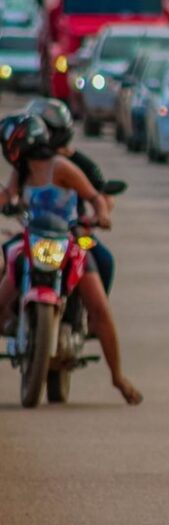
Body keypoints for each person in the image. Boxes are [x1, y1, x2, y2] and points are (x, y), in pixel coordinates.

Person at [0, 114, 141, 405]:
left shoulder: (62, 167)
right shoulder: (21, 172)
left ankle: (118, 377)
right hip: (32, 239)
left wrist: (101, 215)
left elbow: (94, 195)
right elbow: (8, 196)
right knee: (4, 287)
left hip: (67, 240)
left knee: (99, 308)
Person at [25, 98, 116, 292]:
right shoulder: (25, 163)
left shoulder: (79, 164)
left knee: (104, 260)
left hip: (74, 234)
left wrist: (97, 218)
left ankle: (94, 318)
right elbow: (9, 194)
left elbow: (102, 196)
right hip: (32, 233)